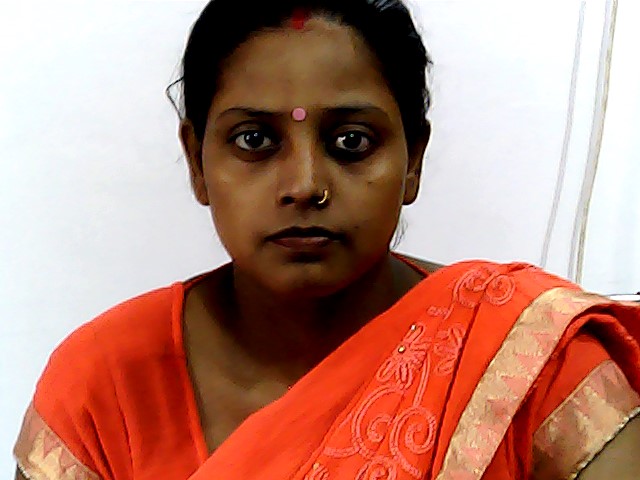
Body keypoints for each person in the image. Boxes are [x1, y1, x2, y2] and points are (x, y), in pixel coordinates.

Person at [13, 0, 640, 479]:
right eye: (255, 140)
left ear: (414, 160)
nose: (305, 185)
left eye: (351, 142)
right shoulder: (104, 387)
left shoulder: (528, 365)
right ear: (197, 162)